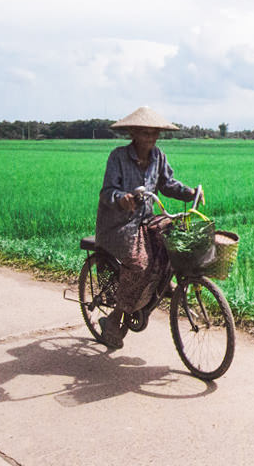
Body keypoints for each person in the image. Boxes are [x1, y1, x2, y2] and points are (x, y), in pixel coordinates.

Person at [94, 106, 202, 348]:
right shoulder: (118, 157)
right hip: (118, 224)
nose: (150, 138)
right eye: (145, 133)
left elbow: (167, 184)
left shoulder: (158, 156)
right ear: (133, 133)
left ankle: (163, 285)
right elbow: (107, 192)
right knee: (139, 263)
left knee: (176, 238)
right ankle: (115, 318)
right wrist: (122, 199)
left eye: (154, 134)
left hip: (146, 220)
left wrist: (189, 192)